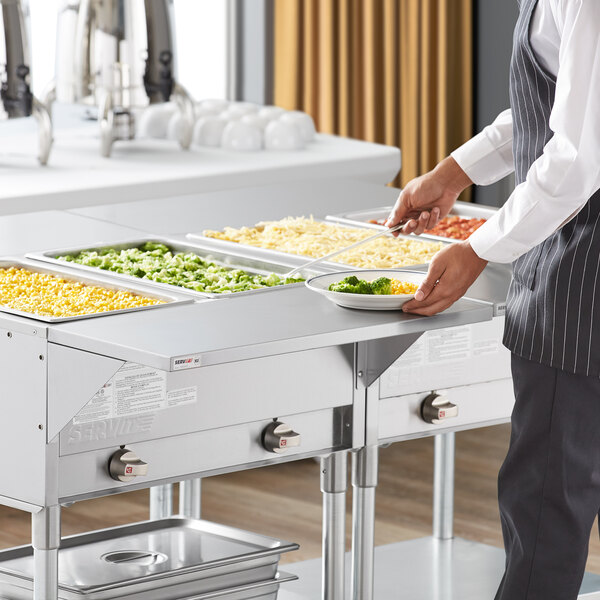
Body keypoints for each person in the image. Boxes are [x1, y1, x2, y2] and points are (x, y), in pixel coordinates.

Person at [385, 1, 600, 599]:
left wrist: (479, 249)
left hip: (582, 278)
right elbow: (566, 108)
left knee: (547, 506)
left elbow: (579, 154)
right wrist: (455, 171)